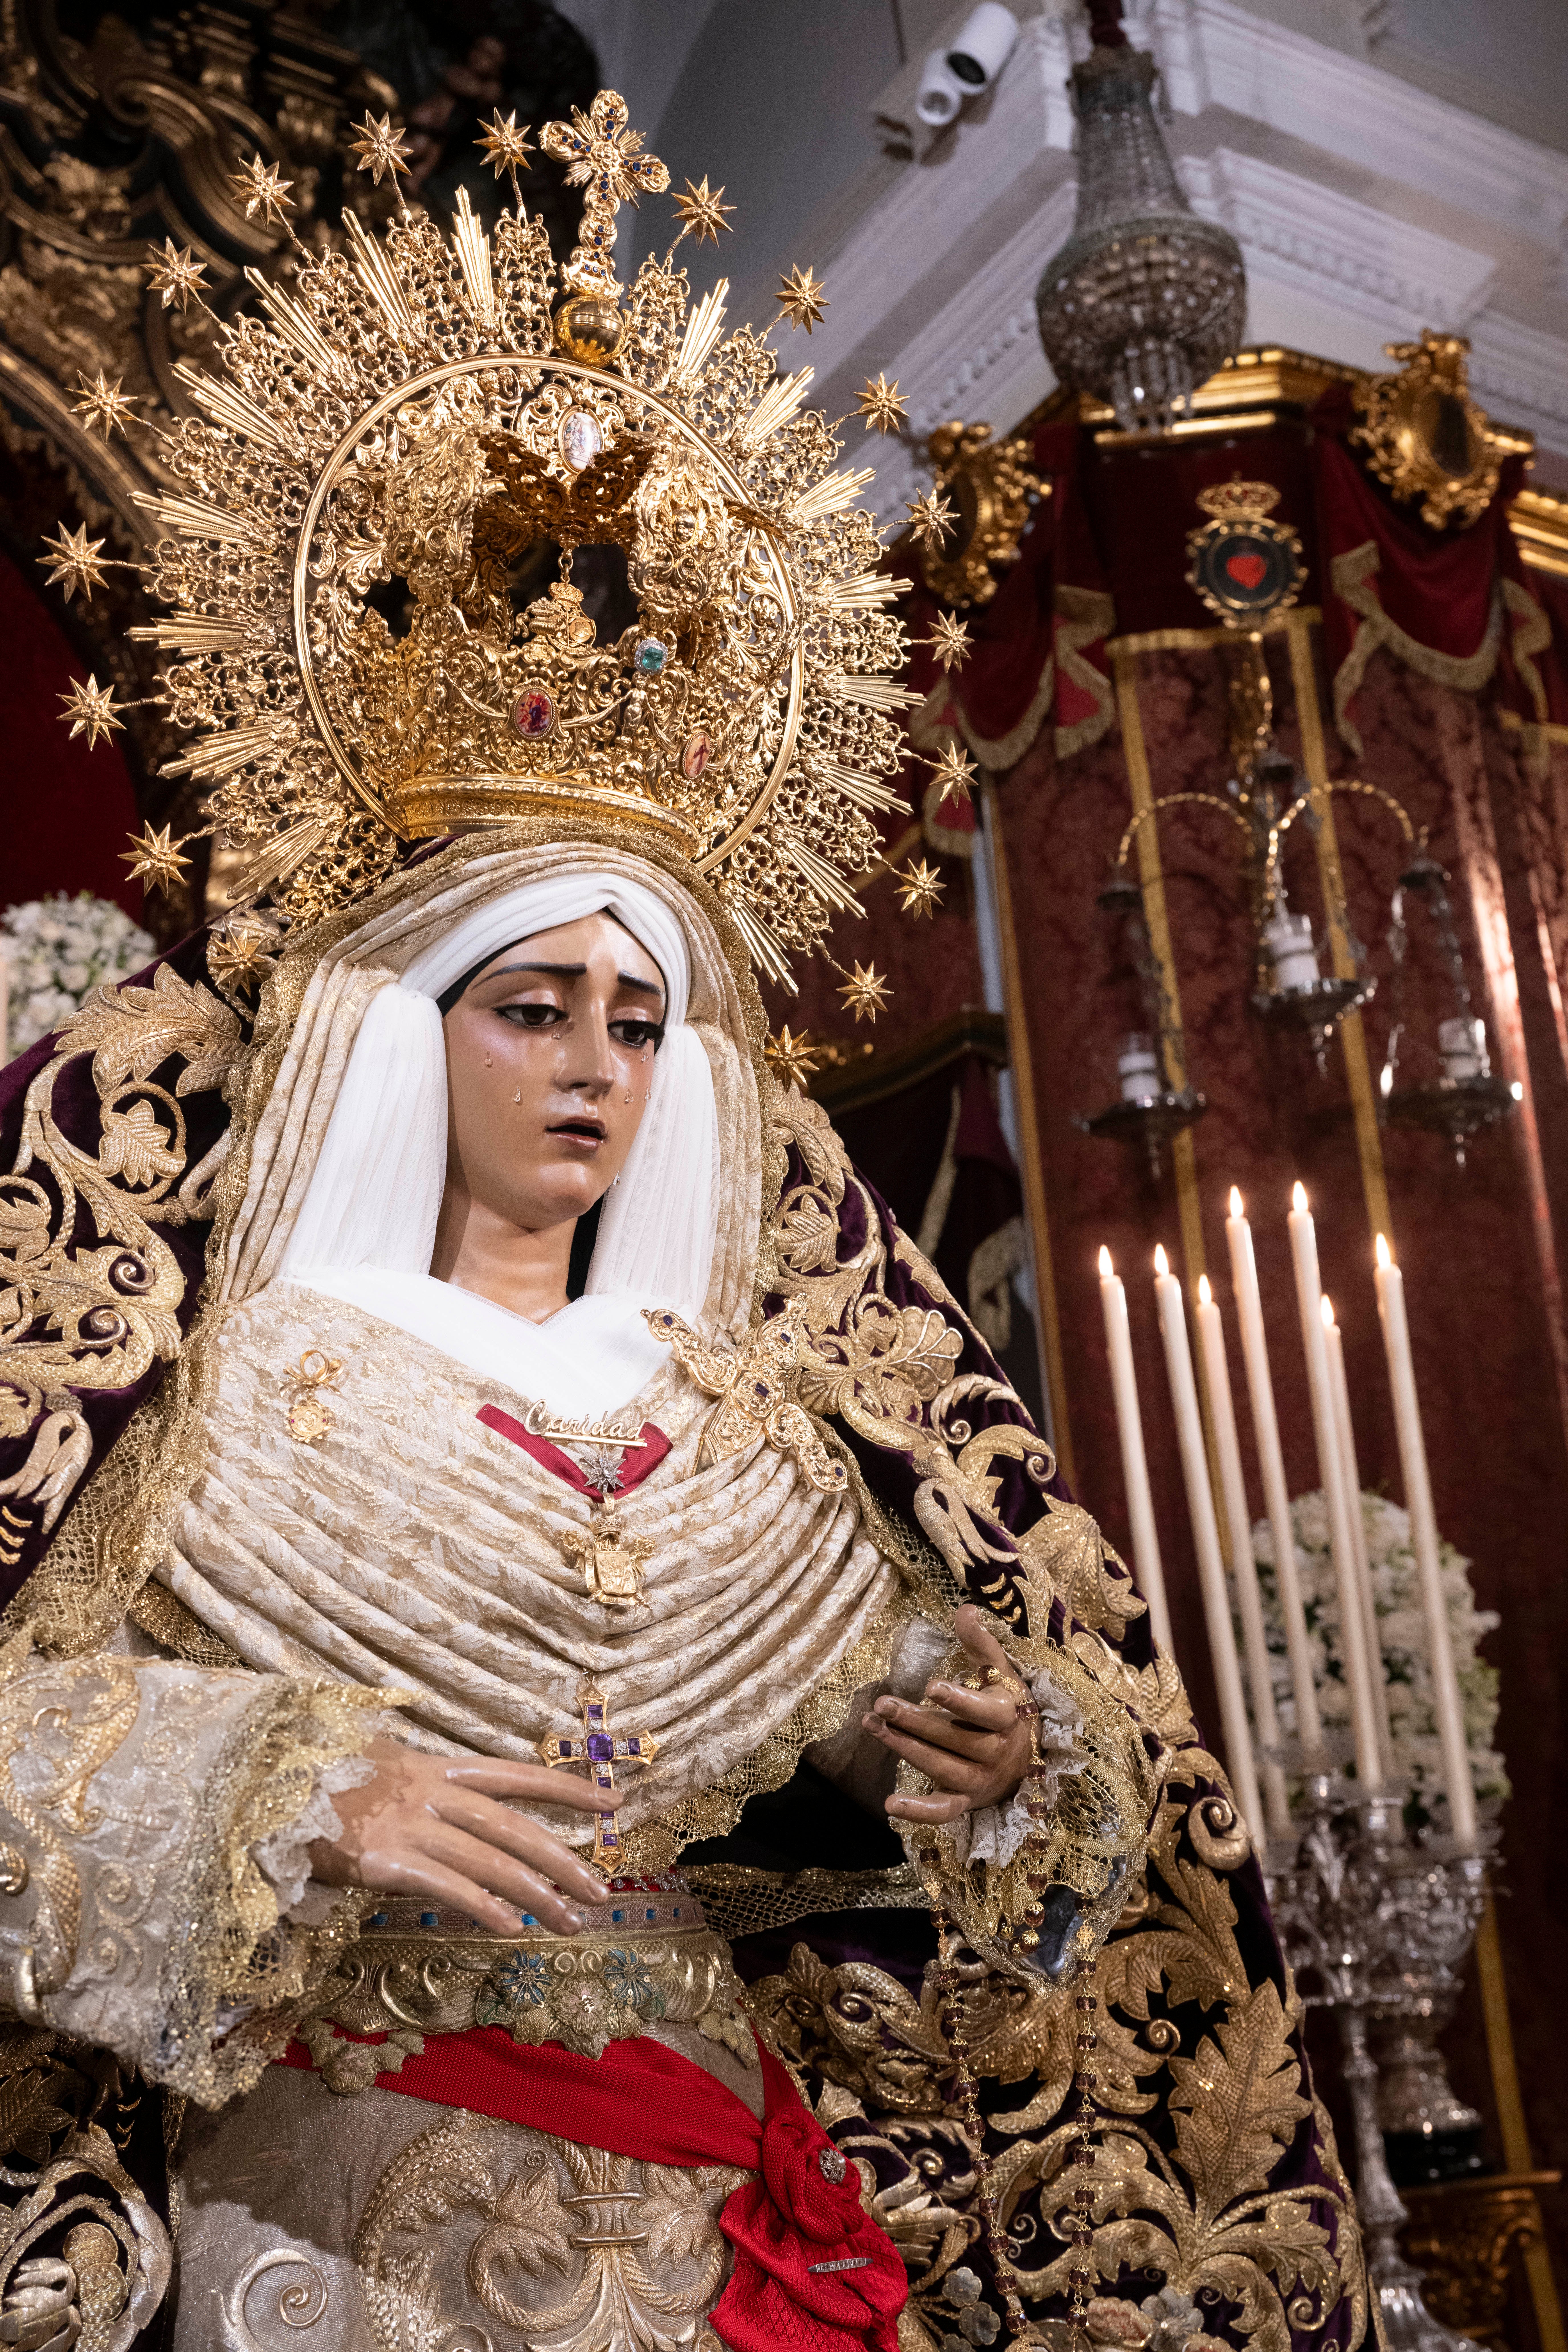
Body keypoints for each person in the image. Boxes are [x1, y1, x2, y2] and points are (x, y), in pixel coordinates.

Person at [0, 87, 1366, 2352]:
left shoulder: (733, 1422)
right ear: (399, 1032)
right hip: (362, 2200)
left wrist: (996, 1759)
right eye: (530, 1005)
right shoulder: (249, 1395)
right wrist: (292, 1779)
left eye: (639, 1021)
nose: (590, 1069)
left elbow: (975, 1807)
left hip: (731, 2167)